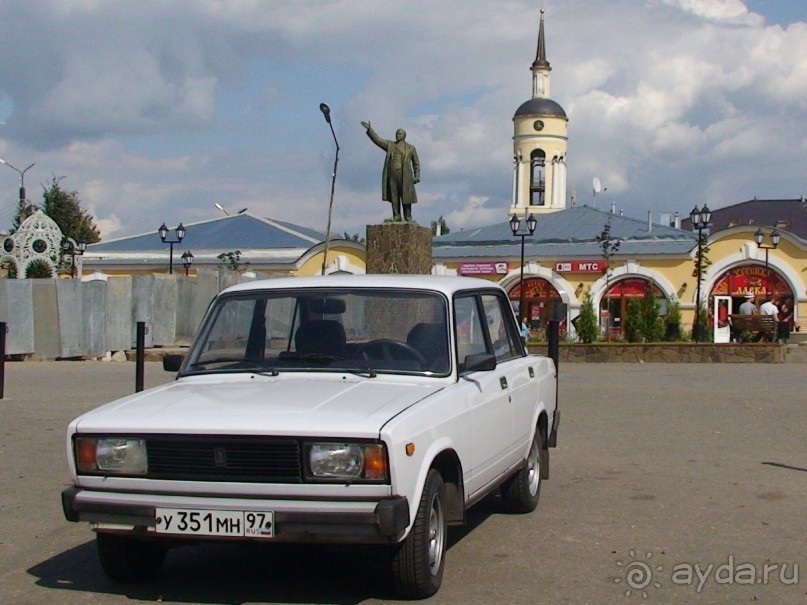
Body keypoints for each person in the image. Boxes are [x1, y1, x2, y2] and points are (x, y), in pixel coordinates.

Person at [361, 121, 420, 221]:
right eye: (396, 133)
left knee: (406, 197)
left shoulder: (411, 148)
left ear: (404, 136)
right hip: (392, 174)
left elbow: (416, 163)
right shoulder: (390, 145)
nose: (397, 135)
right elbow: (378, 140)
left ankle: (408, 217)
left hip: (405, 175)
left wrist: (417, 175)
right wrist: (370, 130)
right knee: (394, 195)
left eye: (399, 133)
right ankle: (396, 216)